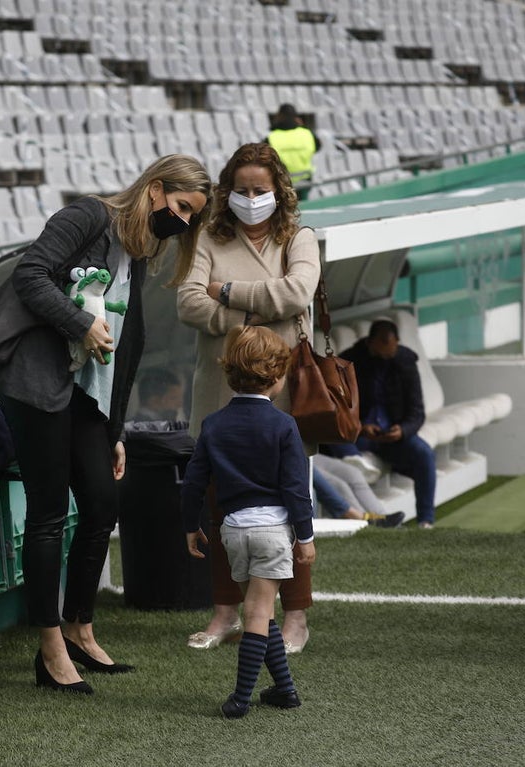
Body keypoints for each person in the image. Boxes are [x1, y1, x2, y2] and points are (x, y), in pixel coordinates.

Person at [0, 154, 211, 694]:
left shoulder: (138, 251)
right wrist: (81, 323)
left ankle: (79, 628)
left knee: (102, 506)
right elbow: (30, 275)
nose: (181, 222)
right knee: (47, 514)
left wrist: (115, 431)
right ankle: (50, 649)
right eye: (181, 207)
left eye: (191, 217)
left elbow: (126, 348)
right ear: (154, 190)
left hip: (87, 396)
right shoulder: (87, 216)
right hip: (35, 384)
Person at [175, 142, 321, 654]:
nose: (252, 198)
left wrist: (225, 292)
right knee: (220, 506)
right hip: (221, 396)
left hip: (285, 398)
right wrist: (256, 315)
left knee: (292, 500)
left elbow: (297, 293)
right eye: (241, 190)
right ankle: (224, 613)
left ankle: (296, 617)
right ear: (226, 191)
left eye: (261, 189)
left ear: (279, 189)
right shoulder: (206, 238)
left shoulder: (299, 238)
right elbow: (188, 303)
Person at [182, 325, 316, 719]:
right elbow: (295, 489)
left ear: (229, 374)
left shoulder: (213, 424)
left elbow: (193, 482)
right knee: (259, 613)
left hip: (233, 532)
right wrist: (305, 536)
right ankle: (240, 698)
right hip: (273, 533)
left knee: (260, 612)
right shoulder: (284, 425)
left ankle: (285, 690)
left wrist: (190, 525)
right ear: (277, 378)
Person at [323, 319, 437, 528]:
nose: (387, 355)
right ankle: (354, 461)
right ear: (370, 342)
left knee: (424, 454)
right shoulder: (349, 361)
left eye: (390, 349)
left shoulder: (406, 363)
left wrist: (403, 430)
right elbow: (337, 408)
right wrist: (360, 427)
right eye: (382, 349)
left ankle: (426, 521)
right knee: (336, 433)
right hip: (360, 434)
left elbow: (417, 412)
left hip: (392, 435)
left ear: (397, 342)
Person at [312, 453, 404, 527]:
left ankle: (383, 517)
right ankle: (362, 521)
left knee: (354, 474)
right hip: (302, 459)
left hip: (309, 451)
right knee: (340, 486)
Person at [266, 103, 320, 190]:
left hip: (284, 180)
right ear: (296, 118)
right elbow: (318, 147)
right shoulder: (307, 133)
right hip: (305, 178)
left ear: (279, 117)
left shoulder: (271, 137)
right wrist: (302, 127)